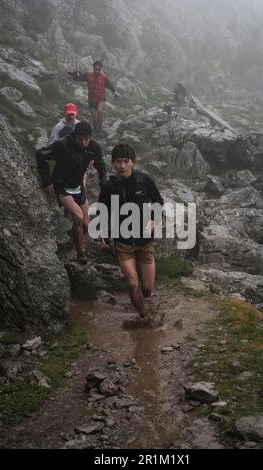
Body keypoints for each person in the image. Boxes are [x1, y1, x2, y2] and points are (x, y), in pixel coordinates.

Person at [98, 143, 164, 324]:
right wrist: (102, 234)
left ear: (133, 162)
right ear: (113, 163)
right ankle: (145, 317)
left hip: (145, 242)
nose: (122, 165)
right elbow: (102, 211)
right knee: (133, 283)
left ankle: (143, 302)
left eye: (126, 161)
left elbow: (158, 201)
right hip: (123, 242)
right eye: (118, 162)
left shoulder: (144, 180)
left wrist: (152, 219)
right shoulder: (108, 186)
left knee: (148, 288)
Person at [36, 121, 106, 262]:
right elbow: (41, 154)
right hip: (61, 185)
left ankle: (74, 241)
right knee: (78, 217)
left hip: (77, 186)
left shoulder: (93, 146)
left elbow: (100, 164)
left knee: (86, 225)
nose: (84, 143)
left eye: (87, 139)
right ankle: (81, 255)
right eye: (81, 139)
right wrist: (46, 180)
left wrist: (103, 183)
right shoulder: (62, 145)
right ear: (75, 136)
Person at [69, 60, 117, 137]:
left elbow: (110, 86)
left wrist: (115, 92)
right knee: (94, 118)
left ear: (100, 69)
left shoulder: (104, 78)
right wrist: (74, 73)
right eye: (96, 69)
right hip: (91, 100)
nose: (97, 71)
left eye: (99, 69)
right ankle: (96, 131)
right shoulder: (88, 75)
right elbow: (78, 78)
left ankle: (100, 130)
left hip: (101, 99)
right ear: (93, 68)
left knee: (99, 111)